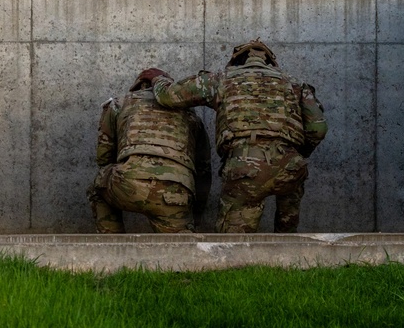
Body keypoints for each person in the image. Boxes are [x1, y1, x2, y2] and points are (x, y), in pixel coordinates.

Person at [151, 40, 327, 233]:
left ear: (236, 61)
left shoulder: (222, 79)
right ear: (270, 62)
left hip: (247, 166)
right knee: (287, 237)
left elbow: (168, 97)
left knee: (234, 242)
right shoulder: (295, 85)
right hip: (292, 166)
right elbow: (317, 129)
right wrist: (299, 153)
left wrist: (158, 79)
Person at [87, 69, 212, 233]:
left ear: (138, 86)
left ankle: (113, 246)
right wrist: (194, 217)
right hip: (175, 193)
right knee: (180, 250)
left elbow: (103, 158)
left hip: (128, 184)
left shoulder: (120, 103)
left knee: (98, 185)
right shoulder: (191, 115)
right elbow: (203, 170)